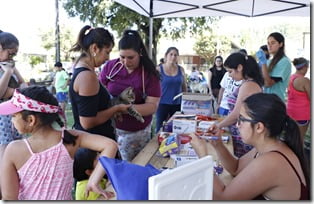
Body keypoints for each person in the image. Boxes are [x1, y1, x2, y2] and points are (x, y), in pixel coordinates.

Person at [0, 86, 118, 200]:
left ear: (31, 120)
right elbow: (110, 145)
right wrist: (93, 180)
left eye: (14, 116)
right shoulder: (70, 138)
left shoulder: (14, 150)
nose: (12, 120)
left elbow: (9, 197)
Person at [190, 93, 310, 200]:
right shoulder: (268, 146)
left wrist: (203, 157)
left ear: (259, 127)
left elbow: (223, 198)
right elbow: (236, 168)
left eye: (241, 119)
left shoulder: (272, 161)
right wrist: (218, 144)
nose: (237, 125)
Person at [99, 29, 161, 161]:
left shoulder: (149, 74)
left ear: (140, 53)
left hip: (137, 134)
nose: (126, 62)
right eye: (122, 57)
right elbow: (100, 91)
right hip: (110, 129)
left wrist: (124, 108)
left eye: (130, 57)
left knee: (134, 166)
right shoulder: (111, 67)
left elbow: (152, 106)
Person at [68, 26, 130, 148]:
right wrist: (116, 109)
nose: (108, 58)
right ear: (95, 48)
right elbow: (87, 122)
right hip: (95, 148)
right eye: (107, 52)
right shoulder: (87, 76)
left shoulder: (83, 70)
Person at [209, 52, 264, 158]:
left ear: (239, 67)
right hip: (242, 133)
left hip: (245, 135)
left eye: (230, 71)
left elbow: (236, 114)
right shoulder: (248, 83)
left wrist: (218, 126)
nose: (229, 75)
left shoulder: (248, 85)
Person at [0, 30, 27, 198]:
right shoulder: (5, 69)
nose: (12, 58)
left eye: (15, 54)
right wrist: (8, 73)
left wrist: (12, 71)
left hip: (14, 117)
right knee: (4, 160)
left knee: (16, 155)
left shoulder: (8, 65)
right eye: (10, 53)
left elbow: (24, 86)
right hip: (2, 120)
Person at [155, 47, 187, 133]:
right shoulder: (159, 69)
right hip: (162, 103)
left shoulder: (181, 69)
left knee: (176, 127)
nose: (173, 57)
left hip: (177, 104)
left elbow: (184, 87)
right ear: (166, 56)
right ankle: (157, 144)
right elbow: (153, 86)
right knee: (160, 127)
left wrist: (186, 100)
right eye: (171, 54)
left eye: (175, 55)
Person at [256, 32, 291, 101]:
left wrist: (263, 64)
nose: (269, 46)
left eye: (273, 43)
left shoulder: (284, 61)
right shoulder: (268, 61)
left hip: (276, 101)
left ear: (281, 44)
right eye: (268, 43)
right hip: (266, 100)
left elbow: (268, 83)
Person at [286, 57, 310, 144]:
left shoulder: (290, 78)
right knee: (299, 139)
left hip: (290, 112)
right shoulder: (304, 80)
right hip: (302, 114)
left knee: (291, 137)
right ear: (304, 67)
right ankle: (297, 157)